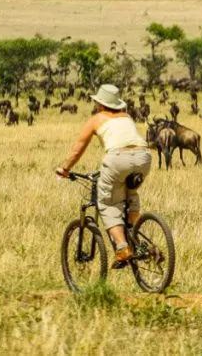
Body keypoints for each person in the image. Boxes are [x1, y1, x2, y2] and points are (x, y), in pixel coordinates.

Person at [56, 84, 152, 266]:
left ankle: (123, 247)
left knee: (107, 203)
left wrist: (65, 168)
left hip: (117, 159)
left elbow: (78, 148)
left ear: (100, 104)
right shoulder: (127, 116)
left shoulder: (96, 119)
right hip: (144, 157)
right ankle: (132, 234)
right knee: (130, 193)